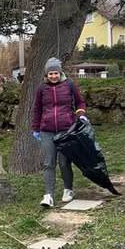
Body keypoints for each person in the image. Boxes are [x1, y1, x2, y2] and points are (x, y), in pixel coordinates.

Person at [31, 57, 88, 208]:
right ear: (46, 75)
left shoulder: (69, 84)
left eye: (56, 73)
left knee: (64, 162)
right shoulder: (42, 88)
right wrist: (36, 128)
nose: (53, 76)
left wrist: (81, 114)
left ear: (60, 72)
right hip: (47, 131)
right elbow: (37, 109)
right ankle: (48, 195)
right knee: (49, 162)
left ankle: (68, 190)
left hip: (65, 130)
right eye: (50, 74)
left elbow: (80, 101)